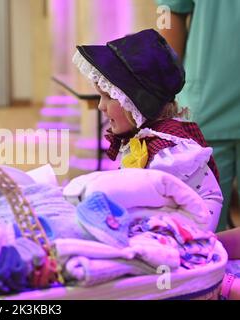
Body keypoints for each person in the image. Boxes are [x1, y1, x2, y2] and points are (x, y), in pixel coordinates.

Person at [71, 28, 223, 232]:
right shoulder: (150, 137)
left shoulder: (169, 154)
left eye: (109, 96)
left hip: (178, 243)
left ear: (136, 102)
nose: (100, 106)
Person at [156, 0, 240, 231]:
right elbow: (170, 13)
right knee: (201, 230)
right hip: (207, 110)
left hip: (206, 101)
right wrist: (165, 88)